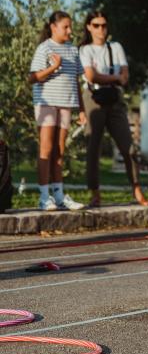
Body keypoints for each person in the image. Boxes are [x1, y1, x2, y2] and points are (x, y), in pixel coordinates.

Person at [79, 11, 148, 208]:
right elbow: (91, 77)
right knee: (93, 146)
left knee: (129, 147)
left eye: (104, 25)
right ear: (89, 27)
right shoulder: (85, 50)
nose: (101, 29)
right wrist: (114, 77)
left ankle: (136, 187)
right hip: (94, 97)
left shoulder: (115, 47)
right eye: (96, 25)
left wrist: (112, 78)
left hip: (115, 98)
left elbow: (125, 76)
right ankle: (95, 192)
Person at [28, 11, 86, 211]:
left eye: (71, 27)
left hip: (66, 103)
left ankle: (59, 195)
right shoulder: (44, 48)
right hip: (47, 104)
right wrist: (54, 67)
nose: (70, 31)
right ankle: (44, 197)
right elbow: (32, 78)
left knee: (60, 151)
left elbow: (76, 81)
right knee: (46, 149)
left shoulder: (72, 50)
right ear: (54, 27)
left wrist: (82, 109)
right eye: (66, 27)